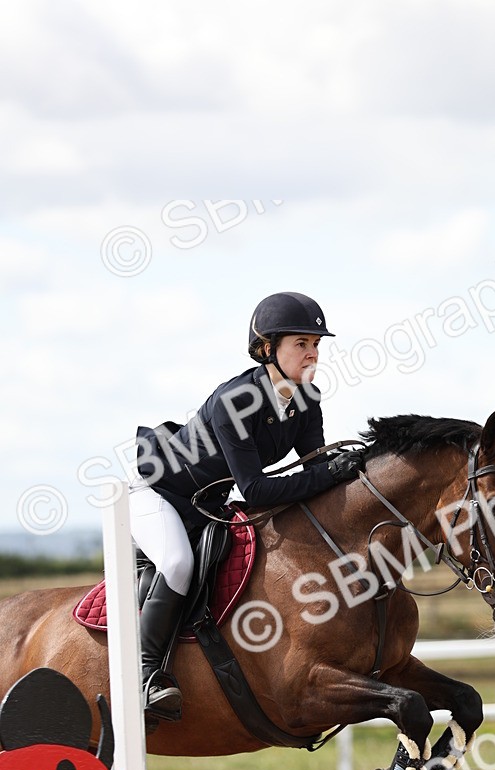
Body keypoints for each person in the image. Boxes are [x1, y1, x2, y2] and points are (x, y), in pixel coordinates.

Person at [129, 291, 363, 726]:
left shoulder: (307, 399)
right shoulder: (237, 401)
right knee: (178, 564)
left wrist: (353, 469)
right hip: (158, 497)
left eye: (317, 345)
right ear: (267, 349)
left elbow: (315, 469)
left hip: (209, 507)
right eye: (301, 344)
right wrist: (330, 474)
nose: (313, 354)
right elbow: (255, 490)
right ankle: (144, 674)